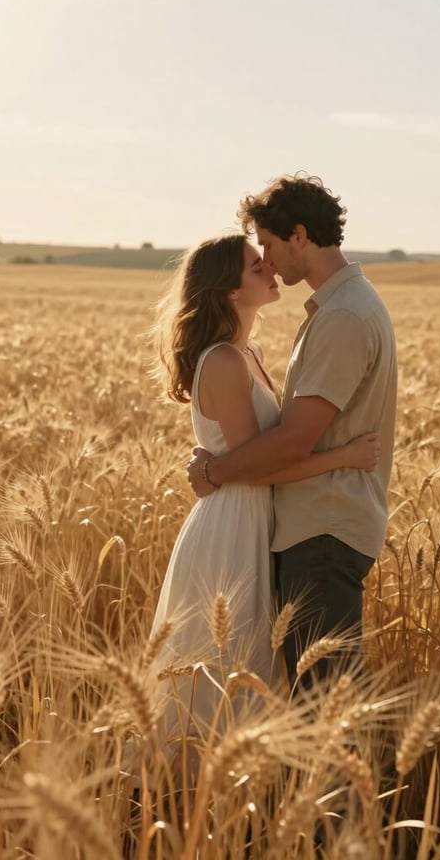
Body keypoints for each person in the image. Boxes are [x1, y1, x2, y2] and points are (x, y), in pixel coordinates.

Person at [148, 233, 379, 740]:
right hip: (231, 525)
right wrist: (343, 457)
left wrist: (214, 467)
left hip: (254, 517)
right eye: (256, 267)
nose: (270, 268)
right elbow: (255, 467)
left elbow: (256, 455)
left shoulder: (247, 352)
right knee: (223, 663)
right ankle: (188, 780)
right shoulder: (224, 361)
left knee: (248, 662)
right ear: (229, 289)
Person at [188, 174, 398, 690]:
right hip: (310, 526)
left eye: (269, 243)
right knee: (316, 699)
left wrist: (215, 471)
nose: (268, 259)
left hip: (322, 528)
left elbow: (292, 440)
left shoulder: (343, 316)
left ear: (299, 236)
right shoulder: (339, 308)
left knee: (322, 704)